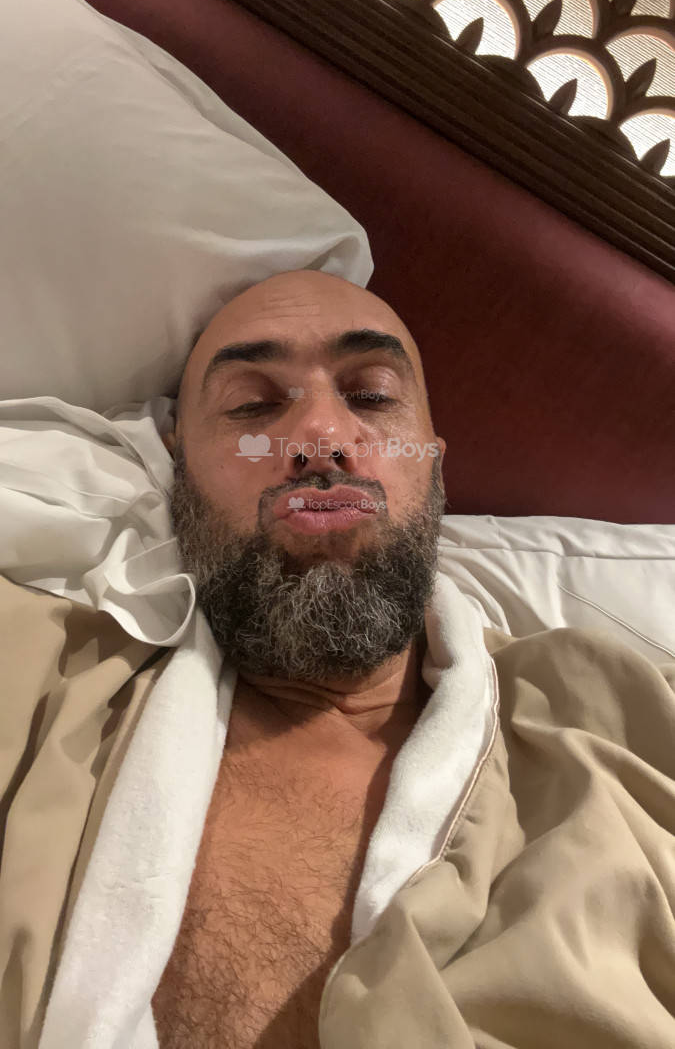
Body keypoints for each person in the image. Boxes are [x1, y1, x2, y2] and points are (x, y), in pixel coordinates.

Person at [147, 269, 675, 1049]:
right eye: (252, 406)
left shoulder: (627, 724)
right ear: (177, 462)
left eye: (371, 396)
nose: (320, 439)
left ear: (432, 460)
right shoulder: (46, 681)